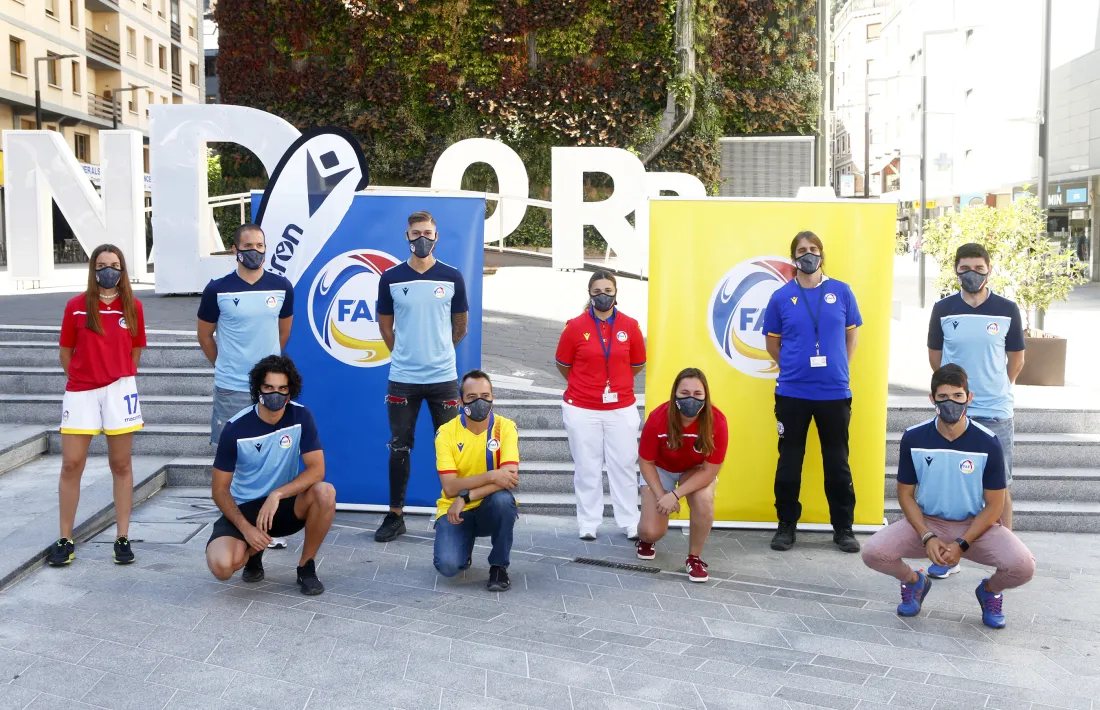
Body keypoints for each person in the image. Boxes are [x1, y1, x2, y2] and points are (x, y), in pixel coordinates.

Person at [861, 364, 1035, 628]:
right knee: (873, 552)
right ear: (932, 399)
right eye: (943, 397)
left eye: (957, 396)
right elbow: (905, 495)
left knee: (1023, 567)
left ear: (969, 397)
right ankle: (914, 582)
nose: (950, 402)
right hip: (928, 522)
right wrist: (927, 536)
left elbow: (995, 504)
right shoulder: (913, 437)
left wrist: (962, 544)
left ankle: (990, 591)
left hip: (975, 525)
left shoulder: (987, 442)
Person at [926, 242, 1025, 579]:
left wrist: (994, 387)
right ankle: (945, 557)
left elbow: (1016, 360)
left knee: (1001, 486)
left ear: (989, 270)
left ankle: (1006, 555)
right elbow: (935, 357)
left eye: (979, 269)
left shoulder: (1007, 309)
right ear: (956, 270)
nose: (972, 275)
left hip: (995, 410)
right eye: (965, 268)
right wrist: (954, 396)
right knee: (949, 482)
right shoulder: (943, 309)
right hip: (954, 410)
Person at [762, 231, 862, 554]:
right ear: (794, 258)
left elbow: (852, 338)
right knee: (790, 461)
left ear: (822, 254)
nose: (808, 254)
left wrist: (838, 368)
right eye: (802, 250)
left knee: (837, 462)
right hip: (792, 393)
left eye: (813, 249)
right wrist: (793, 367)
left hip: (834, 393)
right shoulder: (781, 297)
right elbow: (772, 344)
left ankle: (843, 527)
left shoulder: (842, 292)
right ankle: (786, 525)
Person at [48, 245, 147, 568]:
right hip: (81, 392)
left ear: (123, 270)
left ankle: (122, 537)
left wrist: (116, 375)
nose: (108, 271)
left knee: (120, 465)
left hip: (120, 391)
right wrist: (84, 375)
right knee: (71, 464)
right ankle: (65, 538)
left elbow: (135, 351)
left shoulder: (133, 306)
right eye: (102, 265)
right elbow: (66, 351)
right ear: (92, 269)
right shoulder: (76, 307)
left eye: (115, 265)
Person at [198, 224, 295, 549]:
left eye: (260, 244)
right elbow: (204, 336)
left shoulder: (281, 286)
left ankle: (270, 526)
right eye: (248, 245)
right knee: (235, 461)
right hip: (231, 388)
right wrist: (226, 366)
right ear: (235, 250)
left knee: (271, 459)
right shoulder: (217, 289)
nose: (255, 250)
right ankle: (237, 524)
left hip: (270, 391)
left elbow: (282, 334)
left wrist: (267, 378)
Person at [374, 211, 469, 542]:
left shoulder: (452, 276)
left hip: (443, 377)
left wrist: (440, 350)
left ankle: (454, 512)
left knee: (452, 447)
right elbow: (385, 325)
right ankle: (395, 516)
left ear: (436, 236)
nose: (421, 240)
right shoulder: (390, 278)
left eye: (427, 233)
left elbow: (461, 324)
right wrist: (404, 353)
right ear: (407, 236)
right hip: (403, 378)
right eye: (416, 234)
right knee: (399, 446)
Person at [205, 355, 335, 595]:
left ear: (290, 390)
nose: (276, 394)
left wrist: (277, 494)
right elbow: (219, 490)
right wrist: (246, 529)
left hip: (283, 506)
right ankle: (253, 552)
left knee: (325, 492)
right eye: (269, 387)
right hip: (245, 508)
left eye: (282, 388)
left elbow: (318, 469)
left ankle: (306, 567)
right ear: (258, 389)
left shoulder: (301, 417)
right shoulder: (236, 428)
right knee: (223, 567)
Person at [555, 271, 646, 541]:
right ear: (589, 293)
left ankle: (630, 521)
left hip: (621, 407)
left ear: (616, 293)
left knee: (625, 465)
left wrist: (616, 383)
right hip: (582, 408)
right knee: (587, 465)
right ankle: (588, 522)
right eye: (597, 291)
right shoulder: (575, 326)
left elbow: (638, 363)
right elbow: (563, 363)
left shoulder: (630, 326)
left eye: (607, 290)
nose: (603, 295)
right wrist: (585, 386)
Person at [635, 368, 728, 582]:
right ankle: (646, 539)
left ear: (706, 396)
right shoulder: (658, 418)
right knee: (650, 532)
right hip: (660, 469)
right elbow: (646, 462)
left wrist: (675, 495)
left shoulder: (717, 422)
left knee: (704, 499)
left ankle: (694, 557)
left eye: (697, 394)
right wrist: (661, 495)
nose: (691, 399)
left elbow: (710, 470)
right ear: (675, 393)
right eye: (684, 393)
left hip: (693, 472)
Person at [432, 370, 519, 591]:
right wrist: (491, 475)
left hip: (485, 506)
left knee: (503, 500)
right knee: (449, 567)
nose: (480, 401)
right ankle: (464, 545)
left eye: (485, 395)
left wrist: (467, 496)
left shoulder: (505, 427)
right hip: (454, 510)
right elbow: (450, 487)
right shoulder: (446, 433)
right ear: (461, 402)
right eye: (471, 397)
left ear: (492, 398)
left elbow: (508, 479)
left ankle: (499, 566)